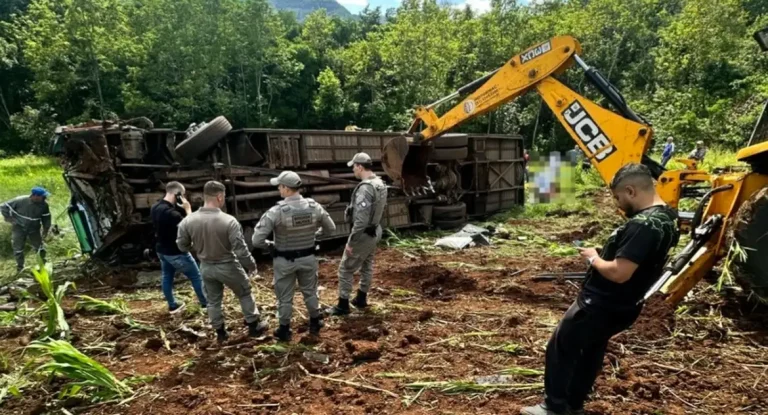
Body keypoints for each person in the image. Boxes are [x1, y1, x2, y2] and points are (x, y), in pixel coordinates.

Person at [521, 163, 680, 415]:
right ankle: (573, 405)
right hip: (626, 304)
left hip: (601, 303)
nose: (618, 204)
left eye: (618, 197)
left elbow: (619, 272)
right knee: (590, 350)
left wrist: (594, 257)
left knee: (561, 348)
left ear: (631, 190)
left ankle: (554, 407)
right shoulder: (669, 218)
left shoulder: (643, 225)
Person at [176, 181, 268, 343]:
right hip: (228, 265)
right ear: (219, 197)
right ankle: (254, 327)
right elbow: (240, 249)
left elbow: (181, 245)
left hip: (206, 267)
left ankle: (220, 333)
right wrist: (251, 265)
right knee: (244, 293)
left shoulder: (188, 221)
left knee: (213, 301)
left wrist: (196, 248)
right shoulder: (229, 221)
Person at [251, 171, 336, 341]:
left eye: (280, 186)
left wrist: (271, 246)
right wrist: (314, 235)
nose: (279, 190)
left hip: (284, 260)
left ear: (286, 188)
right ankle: (315, 322)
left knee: (285, 297)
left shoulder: (276, 211)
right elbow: (331, 229)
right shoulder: (314, 206)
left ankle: (284, 330)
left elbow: (256, 240)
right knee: (310, 292)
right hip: (308, 258)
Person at [328, 153, 388, 316]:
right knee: (367, 264)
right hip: (375, 230)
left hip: (363, 234)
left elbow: (360, 221)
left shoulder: (365, 188)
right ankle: (361, 297)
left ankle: (343, 305)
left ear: (360, 167)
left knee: (345, 269)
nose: (353, 170)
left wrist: (351, 242)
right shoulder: (380, 183)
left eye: (354, 166)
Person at [150, 182, 207, 314]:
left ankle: (172, 306)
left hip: (162, 250)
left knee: (167, 276)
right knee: (196, 276)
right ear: (178, 195)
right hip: (176, 252)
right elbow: (190, 227)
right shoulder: (172, 214)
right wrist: (188, 208)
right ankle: (206, 304)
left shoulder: (155, 207)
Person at [1, 187, 52, 272]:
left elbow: (46, 217)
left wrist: (46, 229)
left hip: (34, 228)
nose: (44, 198)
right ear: (35, 196)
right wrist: (9, 218)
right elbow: (4, 206)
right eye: (42, 197)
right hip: (19, 227)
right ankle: (20, 267)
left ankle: (43, 264)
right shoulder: (20, 200)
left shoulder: (44, 205)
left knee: (39, 247)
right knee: (18, 248)